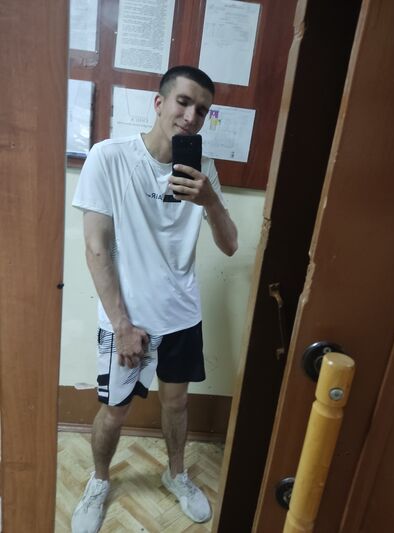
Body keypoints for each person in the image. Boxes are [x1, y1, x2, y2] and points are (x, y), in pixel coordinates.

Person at [70, 65, 238, 533]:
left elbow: (230, 245)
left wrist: (211, 201)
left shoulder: (203, 170)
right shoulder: (109, 157)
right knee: (115, 410)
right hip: (127, 318)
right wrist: (121, 324)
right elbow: (96, 247)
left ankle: (176, 474)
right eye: (183, 102)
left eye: (202, 110)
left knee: (177, 404)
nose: (191, 116)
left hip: (182, 315)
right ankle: (99, 480)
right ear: (160, 102)